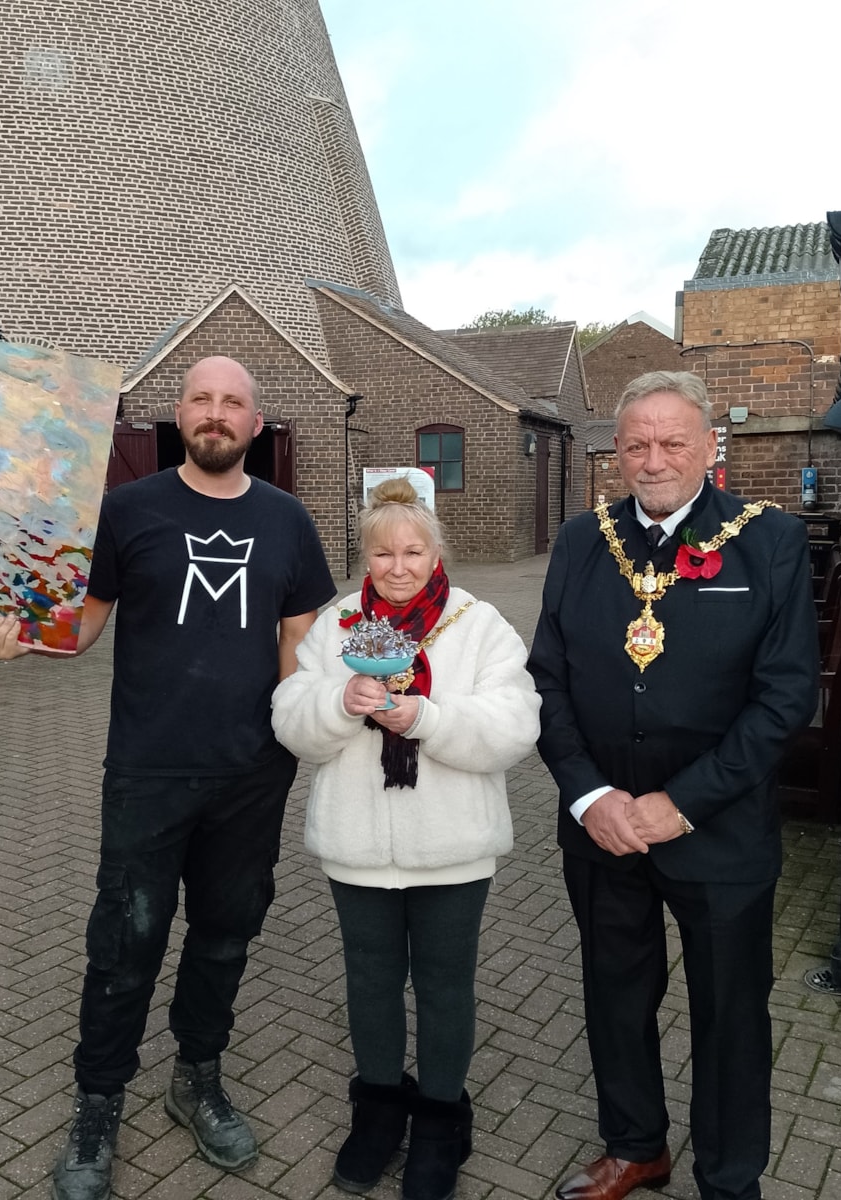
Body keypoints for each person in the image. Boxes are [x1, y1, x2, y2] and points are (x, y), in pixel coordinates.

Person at [0, 356, 336, 1200]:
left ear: (253, 419)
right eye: (202, 399)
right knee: (125, 942)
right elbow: (81, 629)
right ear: (180, 414)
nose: (216, 413)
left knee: (226, 934)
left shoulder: (288, 522)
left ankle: (196, 1077)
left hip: (252, 774)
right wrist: (9, 634)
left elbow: (301, 655)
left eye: (233, 401)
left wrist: (334, 725)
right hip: (148, 769)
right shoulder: (126, 511)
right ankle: (98, 1102)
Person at [528, 371, 819, 1200]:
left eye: (673, 443)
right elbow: (545, 680)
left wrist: (680, 803)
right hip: (604, 829)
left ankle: (729, 1179)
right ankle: (636, 1146)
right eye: (636, 444)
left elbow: (786, 695)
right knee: (617, 995)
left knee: (730, 1013)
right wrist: (590, 797)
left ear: (708, 448)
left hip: (717, 831)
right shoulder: (583, 540)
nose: (653, 460)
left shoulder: (768, 542)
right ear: (616, 451)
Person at [271, 478, 540, 1200]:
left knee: (447, 987)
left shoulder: (478, 625)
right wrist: (337, 702)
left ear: (435, 552)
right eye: (383, 553)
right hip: (358, 846)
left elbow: (516, 726)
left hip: (453, 847)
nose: (397, 566)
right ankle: (380, 1110)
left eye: (412, 550)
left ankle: (442, 1120)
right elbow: (290, 719)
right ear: (366, 557)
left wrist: (423, 717)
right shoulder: (336, 626)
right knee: (370, 983)